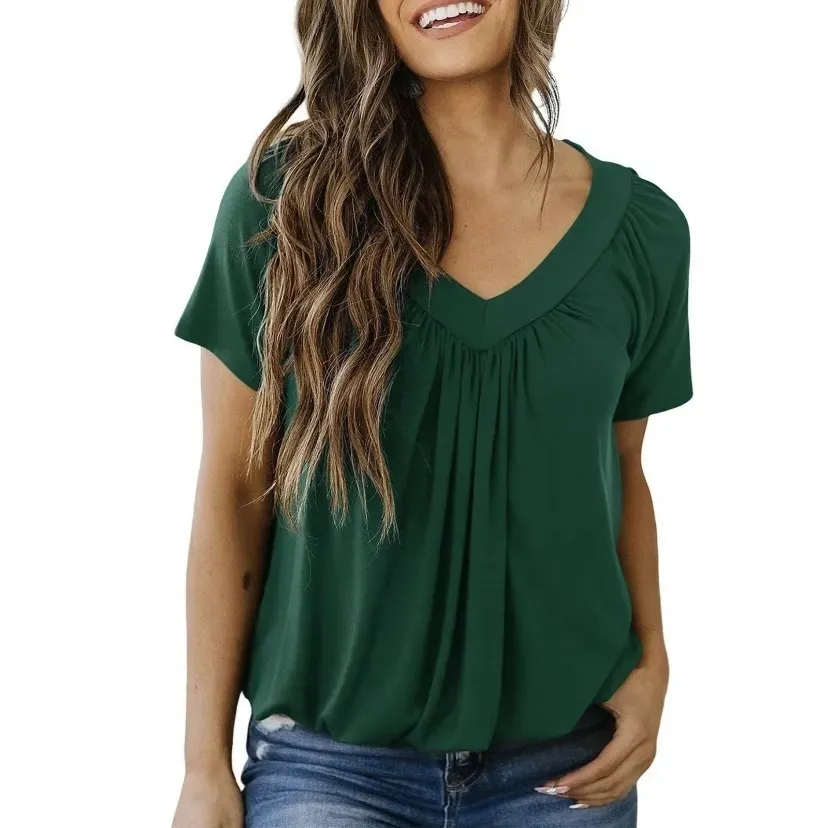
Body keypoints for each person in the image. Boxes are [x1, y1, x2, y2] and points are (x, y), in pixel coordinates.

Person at [171, 1, 693, 826]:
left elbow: (621, 470)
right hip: (330, 772)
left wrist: (653, 664)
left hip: (566, 773)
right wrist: (204, 767)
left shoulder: (642, 232)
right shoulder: (285, 205)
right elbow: (234, 493)